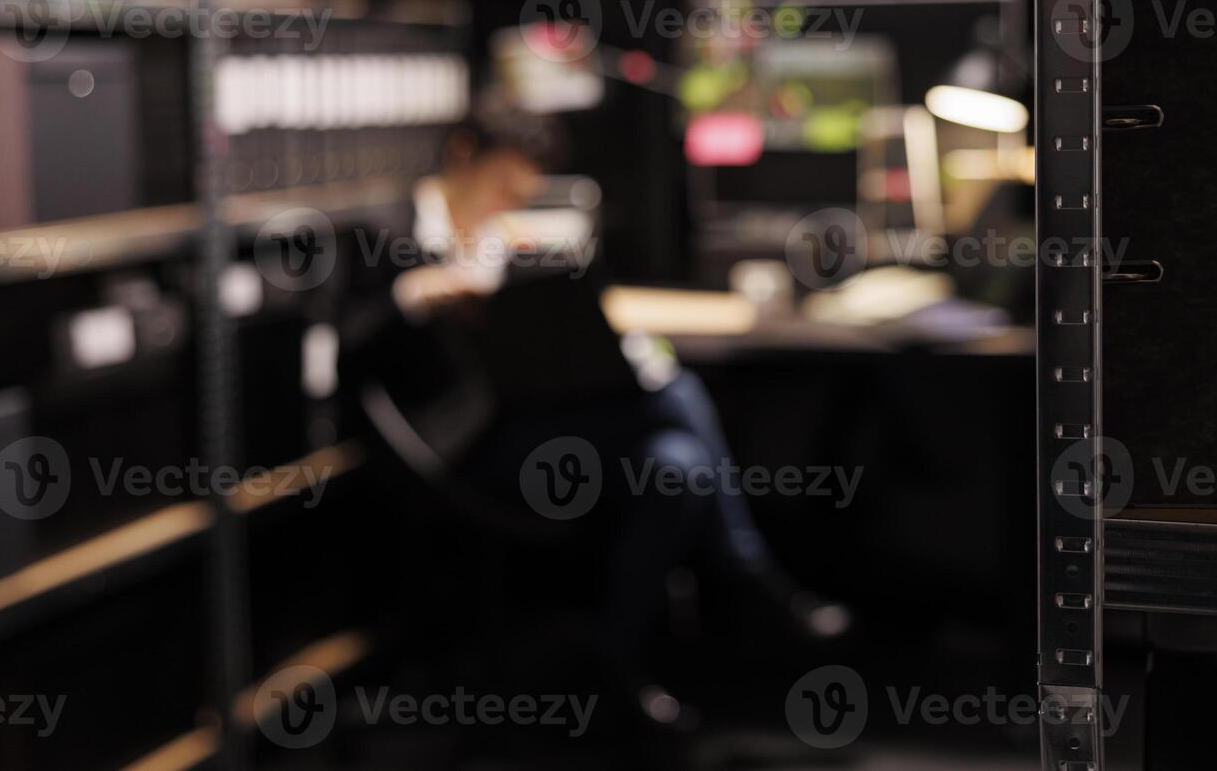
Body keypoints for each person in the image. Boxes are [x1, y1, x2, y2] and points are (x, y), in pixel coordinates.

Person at [342, 98, 850, 728]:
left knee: (679, 468)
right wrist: (417, 292)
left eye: (517, 197)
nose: (506, 206)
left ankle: (615, 658)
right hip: (456, 446)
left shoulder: (501, 242)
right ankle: (745, 574)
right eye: (501, 188)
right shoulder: (389, 232)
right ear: (462, 156)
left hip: (535, 421)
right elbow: (344, 348)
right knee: (676, 394)